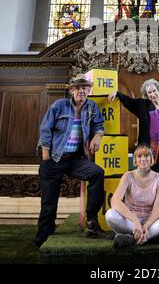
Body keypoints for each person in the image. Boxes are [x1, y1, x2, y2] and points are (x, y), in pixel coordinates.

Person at [34, 73, 105, 247]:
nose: (81, 91)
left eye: (85, 87)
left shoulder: (92, 107)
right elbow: (46, 129)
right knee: (49, 200)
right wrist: (46, 155)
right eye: (78, 88)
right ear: (72, 90)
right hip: (55, 157)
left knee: (97, 173)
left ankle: (91, 221)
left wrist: (97, 136)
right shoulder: (60, 105)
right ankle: (44, 235)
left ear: (89, 90)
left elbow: (99, 125)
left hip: (75, 158)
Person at [108, 79, 159, 211]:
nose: (152, 94)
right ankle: (154, 215)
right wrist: (117, 93)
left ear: (158, 90)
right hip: (150, 153)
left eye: (154, 91)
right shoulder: (142, 105)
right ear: (146, 95)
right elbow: (129, 101)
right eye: (149, 93)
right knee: (152, 184)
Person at [105, 144, 159, 248]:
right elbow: (115, 201)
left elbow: (157, 211)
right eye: (139, 156)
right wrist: (135, 221)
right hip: (130, 222)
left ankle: (134, 238)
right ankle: (156, 236)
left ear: (152, 159)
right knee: (110, 215)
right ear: (135, 160)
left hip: (151, 223)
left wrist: (146, 225)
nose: (143, 159)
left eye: (146, 156)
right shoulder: (128, 176)